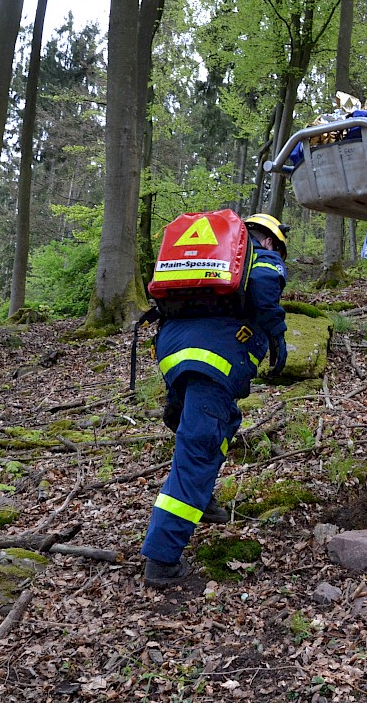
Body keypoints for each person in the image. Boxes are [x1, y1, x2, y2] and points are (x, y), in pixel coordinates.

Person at [140, 213, 290, 588]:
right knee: (200, 449)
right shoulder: (260, 256)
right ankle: (162, 559)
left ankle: (201, 497)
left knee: (220, 421)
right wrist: (278, 336)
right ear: (270, 240)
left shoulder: (206, 262)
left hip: (175, 350)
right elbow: (266, 285)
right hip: (217, 356)